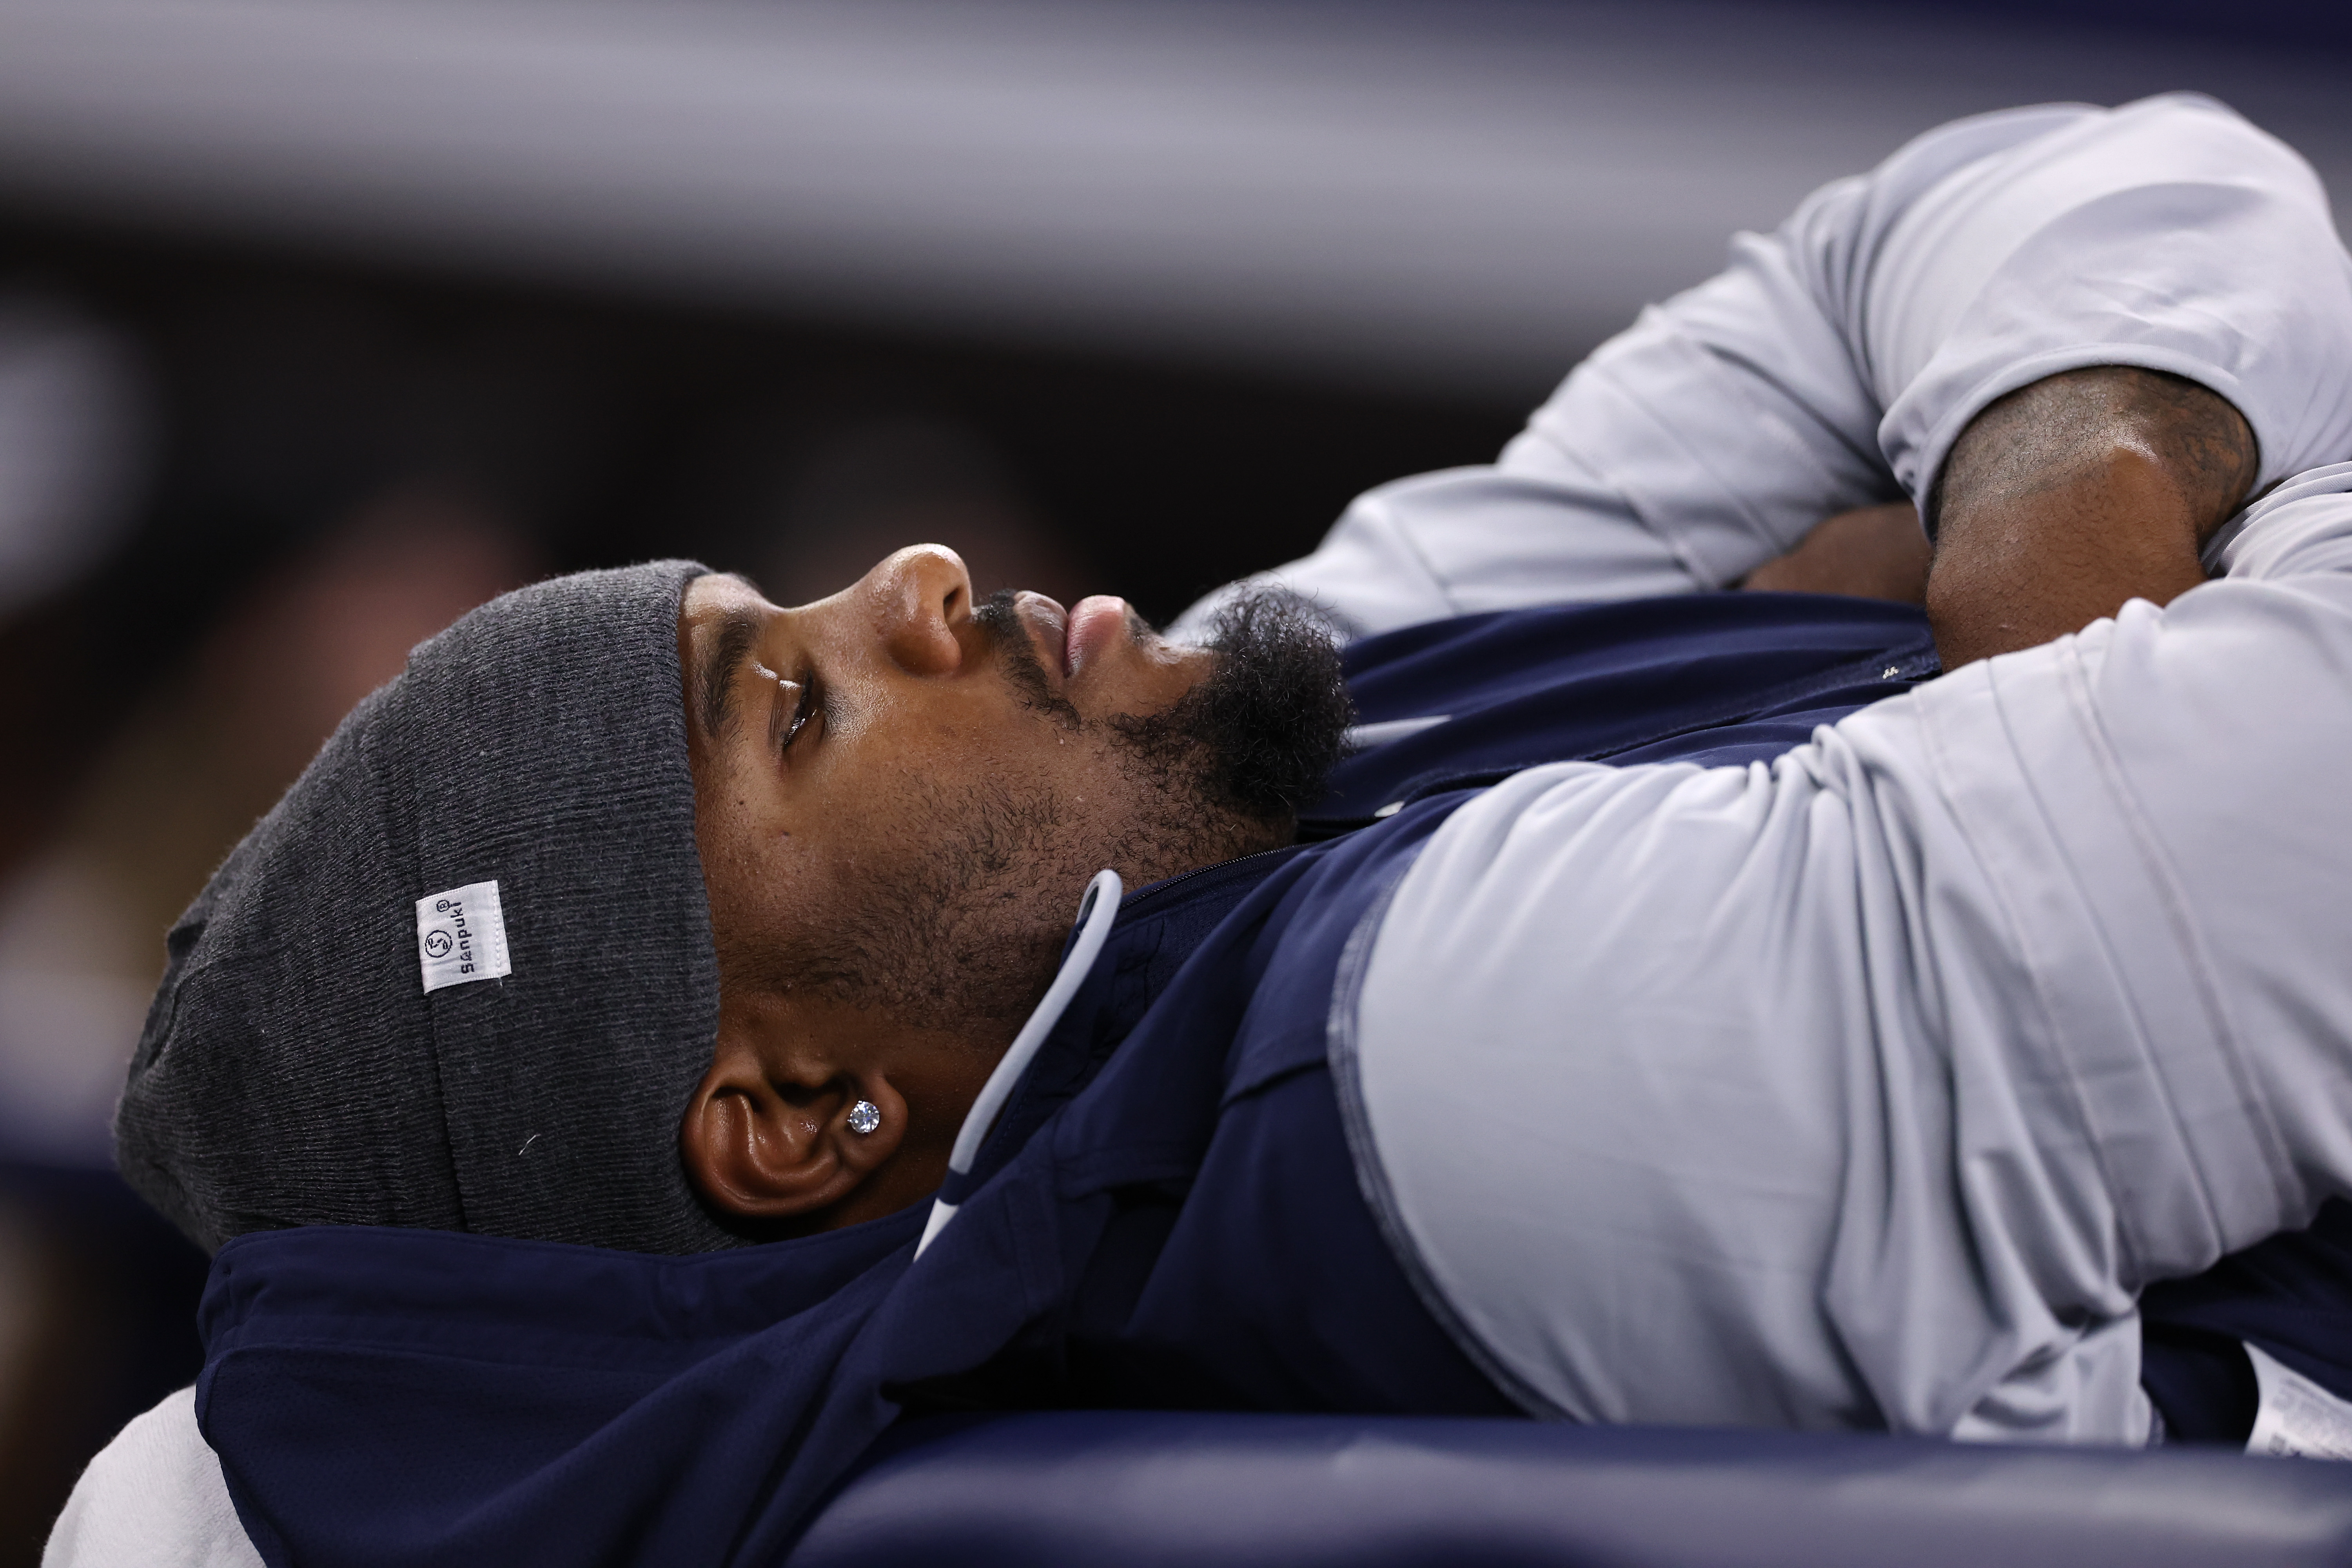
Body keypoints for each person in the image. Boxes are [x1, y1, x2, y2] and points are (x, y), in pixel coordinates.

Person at [51, 92, 2352, 1566]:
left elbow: (1953, 211)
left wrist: (2055, 466)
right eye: (794, 704)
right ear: (796, 1115)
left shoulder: (1211, 765)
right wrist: (2134, 492)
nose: (920, 587)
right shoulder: (1447, 1057)